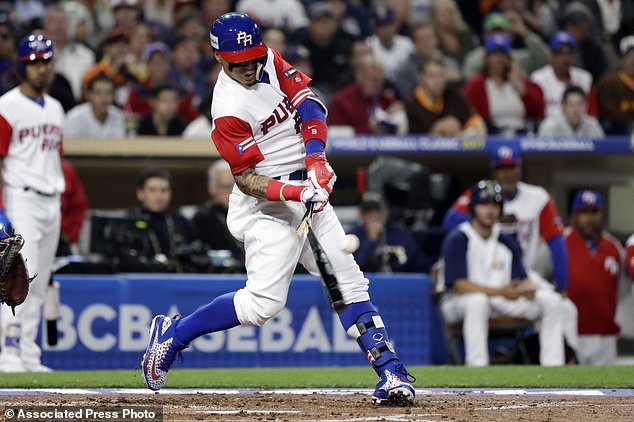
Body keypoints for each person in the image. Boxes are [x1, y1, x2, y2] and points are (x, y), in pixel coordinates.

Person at [141, 13, 416, 406]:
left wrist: (317, 159)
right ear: (221, 59)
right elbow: (246, 179)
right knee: (264, 304)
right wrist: (295, 192)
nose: (251, 67)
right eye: (241, 62)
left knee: (349, 282)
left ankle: (390, 372)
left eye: (254, 57)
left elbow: (310, 104)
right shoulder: (228, 107)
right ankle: (174, 333)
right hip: (265, 204)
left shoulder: (267, 58)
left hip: (307, 187)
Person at [440, 179, 567, 367]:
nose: (490, 210)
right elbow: (459, 285)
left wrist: (526, 287)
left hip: (500, 300)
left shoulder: (506, 240)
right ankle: (477, 367)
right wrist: (502, 292)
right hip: (458, 302)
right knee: (477, 301)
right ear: (474, 207)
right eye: (484, 204)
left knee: (551, 301)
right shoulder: (459, 238)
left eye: (494, 205)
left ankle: (553, 366)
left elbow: (521, 278)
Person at [0, 35, 65, 373]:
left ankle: (28, 354)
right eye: (34, 62)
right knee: (15, 278)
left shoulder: (55, 108)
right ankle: (7, 351)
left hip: (50, 200)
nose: (41, 69)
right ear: (23, 66)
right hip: (20, 197)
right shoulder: (7, 105)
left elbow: (56, 159)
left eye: (45, 62)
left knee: (39, 281)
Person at [442, 146, 568, 294]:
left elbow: (556, 240)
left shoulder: (537, 198)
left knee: (559, 305)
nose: (507, 174)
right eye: (502, 169)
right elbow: (449, 222)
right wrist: (494, 220)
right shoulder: (482, 193)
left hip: (525, 272)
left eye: (511, 167)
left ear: (520, 169)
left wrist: (562, 284)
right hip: (488, 273)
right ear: (494, 172)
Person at [565, 190, 624, 365]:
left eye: (594, 212)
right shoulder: (560, 243)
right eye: (583, 212)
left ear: (601, 214)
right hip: (570, 334)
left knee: (606, 390)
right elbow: (539, 278)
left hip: (605, 336)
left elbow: (623, 289)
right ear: (574, 215)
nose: (589, 218)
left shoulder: (614, 247)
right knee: (567, 391)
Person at [463, 33, 545, 136]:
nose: (499, 59)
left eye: (503, 55)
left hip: (521, 132)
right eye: (495, 55)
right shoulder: (477, 84)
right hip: (490, 134)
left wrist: (522, 90)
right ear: (487, 58)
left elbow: (539, 110)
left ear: (509, 58)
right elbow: (468, 112)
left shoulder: (521, 81)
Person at [127, 168, 194, 272]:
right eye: (152, 190)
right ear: (140, 193)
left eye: (164, 190)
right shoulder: (129, 221)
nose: (159, 196)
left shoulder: (180, 220)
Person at [328, 55, 407, 135]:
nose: (376, 84)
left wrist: (399, 113)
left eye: (380, 80)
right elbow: (334, 134)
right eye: (372, 79)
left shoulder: (386, 98)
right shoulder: (341, 101)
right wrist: (367, 129)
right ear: (359, 77)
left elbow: (399, 133)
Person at [406, 58, 485, 136]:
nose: (437, 81)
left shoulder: (453, 97)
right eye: (432, 76)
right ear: (421, 78)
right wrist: (439, 128)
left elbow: (476, 121)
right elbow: (415, 142)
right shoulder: (411, 105)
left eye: (441, 75)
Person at [348, 195, 425, 273]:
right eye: (369, 212)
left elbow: (418, 264)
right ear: (362, 215)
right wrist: (371, 239)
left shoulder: (400, 234)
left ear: (387, 213)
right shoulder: (353, 235)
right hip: (366, 282)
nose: (374, 216)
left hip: (398, 281)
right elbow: (354, 267)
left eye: (378, 211)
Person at [530, 31, 597, 118]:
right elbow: (536, 114)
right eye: (560, 53)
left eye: (569, 53)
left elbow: (592, 114)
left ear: (575, 55)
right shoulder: (538, 79)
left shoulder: (585, 78)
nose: (565, 58)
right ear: (551, 55)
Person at [191, 160, 243, 266]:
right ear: (212, 187)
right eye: (225, 187)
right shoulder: (202, 218)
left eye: (235, 187)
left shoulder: (246, 213)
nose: (231, 192)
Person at [64, 73, 126, 138]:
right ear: (88, 94)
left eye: (108, 93)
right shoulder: (74, 118)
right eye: (98, 93)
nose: (104, 97)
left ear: (114, 95)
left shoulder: (120, 117)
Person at [597, 35, 634, 135]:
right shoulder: (608, 83)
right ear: (621, 59)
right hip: (617, 135)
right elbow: (610, 115)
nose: (633, 60)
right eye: (629, 55)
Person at [538, 85, 604, 137]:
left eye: (579, 104)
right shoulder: (550, 126)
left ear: (586, 105)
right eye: (571, 104)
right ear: (563, 106)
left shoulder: (593, 125)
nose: (575, 109)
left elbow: (603, 151)